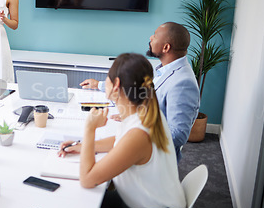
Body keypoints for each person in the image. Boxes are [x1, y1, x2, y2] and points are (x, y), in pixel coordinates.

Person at [60, 53, 186, 208]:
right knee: (71, 201)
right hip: (145, 202)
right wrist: (84, 145)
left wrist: (89, 129)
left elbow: (88, 178)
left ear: (116, 85)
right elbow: (121, 142)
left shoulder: (139, 132)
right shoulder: (145, 111)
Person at [80, 22, 200, 161]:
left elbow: (178, 135)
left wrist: (136, 133)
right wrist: (135, 116)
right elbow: (145, 96)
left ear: (166, 47)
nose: (150, 38)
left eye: (155, 36)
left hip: (154, 158)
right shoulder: (166, 70)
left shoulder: (183, 82)